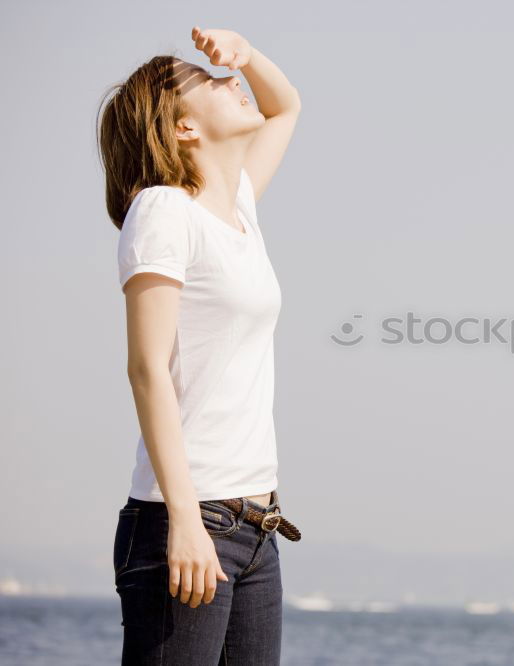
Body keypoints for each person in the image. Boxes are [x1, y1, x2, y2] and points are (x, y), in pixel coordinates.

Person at [96, 26, 302, 664]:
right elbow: (147, 369)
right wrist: (185, 520)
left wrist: (244, 49)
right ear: (183, 127)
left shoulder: (237, 207)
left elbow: (285, 104)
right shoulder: (162, 211)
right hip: (186, 521)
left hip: (257, 526)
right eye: (209, 80)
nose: (231, 80)